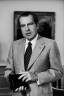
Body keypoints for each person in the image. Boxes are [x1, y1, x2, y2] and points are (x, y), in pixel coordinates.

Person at [4, 11, 63, 96]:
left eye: (30, 24)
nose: (26, 29)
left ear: (37, 25)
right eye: (23, 26)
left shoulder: (50, 44)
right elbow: (8, 71)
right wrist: (15, 83)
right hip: (18, 93)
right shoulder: (14, 45)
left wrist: (35, 76)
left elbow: (58, 72)